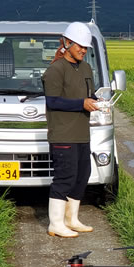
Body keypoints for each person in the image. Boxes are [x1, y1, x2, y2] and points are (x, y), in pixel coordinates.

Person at [42, 22, 99, 237]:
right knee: (64, 177)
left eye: (85, 48)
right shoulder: (55, 70)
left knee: (82, 175)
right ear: (66, 43)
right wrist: (81, 104)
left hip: (81, 132)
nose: (83, 51)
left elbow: (86, 95)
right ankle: (55, 224)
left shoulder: (85, 68)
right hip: (63, 133)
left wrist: (95, 100)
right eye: (79, 46)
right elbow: (53, 101)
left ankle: (72, 219)